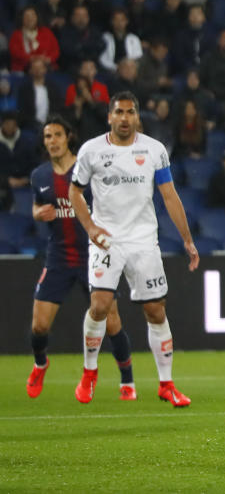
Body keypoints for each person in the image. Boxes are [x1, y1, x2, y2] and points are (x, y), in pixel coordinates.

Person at [69, 92, 199, 406]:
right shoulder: (92, 150)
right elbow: (75, 192)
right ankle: (89, 372)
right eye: (119, 112)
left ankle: (166, 384)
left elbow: (169, 196)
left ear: (137, 117)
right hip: (107, 240)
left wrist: (187, 240)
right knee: (99, 305)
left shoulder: (154, 150)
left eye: (130, 112)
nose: (125, 118)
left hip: (143, 241)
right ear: (109, 117)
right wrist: (91, 228)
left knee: (155, 311)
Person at [26, 116, 135, 400]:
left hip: (93, 255)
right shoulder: (39, 176)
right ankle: (40, 364)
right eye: (48, 136)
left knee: (112, 321)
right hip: (59, 257)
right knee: (38, 325)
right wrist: (38, 214)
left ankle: (127, 381)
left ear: (68, 137)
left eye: (57, 135)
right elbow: (36, 208)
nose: (52, 141)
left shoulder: (88, 169)